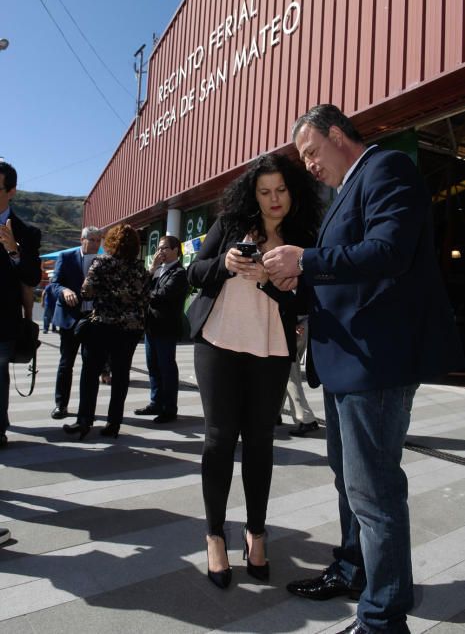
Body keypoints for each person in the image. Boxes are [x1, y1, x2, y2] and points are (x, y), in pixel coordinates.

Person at [262, 104, 465, 634]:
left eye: (310, 152)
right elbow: (347, 272)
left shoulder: (387, 169)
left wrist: (304, 260)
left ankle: (382, 617)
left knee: (374, 493)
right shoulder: (343, 192)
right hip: (344, 361)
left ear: (336, 134)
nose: (307, 165)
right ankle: (355, 570)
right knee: (350, 484)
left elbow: (388, 252)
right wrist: (294, 278)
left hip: (376, 361)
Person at [187, 152, 321, 589]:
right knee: (219, 440)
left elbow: (305, 303)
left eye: (281, 189)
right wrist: (225, 266)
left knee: (261, 442)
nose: (274, 198)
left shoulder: (302, 236)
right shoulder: (228, 224)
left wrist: (270, 282)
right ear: (253, 193)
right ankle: (213, 535)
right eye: (264, 191)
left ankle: (256, 532)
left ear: (292, 190)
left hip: (272, 349)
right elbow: (194, 272)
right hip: (217, 345)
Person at [63, 223, 149, 440]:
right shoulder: (139, 267)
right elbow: (145, 297)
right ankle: (113, 424)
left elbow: (87, 293)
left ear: (110, 242)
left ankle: (84, 421)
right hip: (130, 329)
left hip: (102, 325)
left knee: (90, 373)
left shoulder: (101, 263)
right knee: (121, 375)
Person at [0, 160, 41, 448]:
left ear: (11, 191)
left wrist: (14, 252)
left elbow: (31, 277)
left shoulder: (27, 232)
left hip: (3, 319)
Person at [134, 235, 188, 423]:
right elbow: (142, 287)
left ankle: (169, 408)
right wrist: (152, 269)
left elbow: (161, 295)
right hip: (151, 327)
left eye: (164, 248)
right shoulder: (158, 270)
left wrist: (145, 293)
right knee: (153, 367)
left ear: (176, 250)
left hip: (166, 328)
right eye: (158, 248)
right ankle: (155, 402)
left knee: (167, 368)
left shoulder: (179, 273)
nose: (160, 252)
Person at [50, 226, 102, 419]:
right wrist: (64, 291)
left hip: (93, 319)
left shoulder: (102, 261)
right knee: (66, 364)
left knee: (91, 366)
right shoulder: (66, 257)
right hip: (70, 318)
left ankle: (86, 410)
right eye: (93, 240)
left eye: (99, 240)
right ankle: (61, 404)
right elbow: (54, 284)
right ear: (82, 239)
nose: (96, 244)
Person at [281, 317, 319, 436]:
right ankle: (275, 413)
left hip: (290, 325)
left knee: (289, 374)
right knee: (287, 373)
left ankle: (306, 418)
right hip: (302, 323)